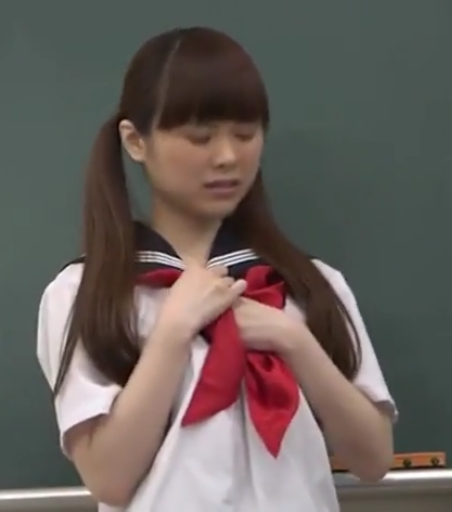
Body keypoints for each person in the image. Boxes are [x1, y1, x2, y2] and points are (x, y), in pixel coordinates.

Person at [35, 26, 398, 511]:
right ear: (136, 141)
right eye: (200, 137)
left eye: (245, 134)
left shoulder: (308, 285)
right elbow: (109, 479)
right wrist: (172, 333)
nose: (228, 157)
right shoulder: (87, 293)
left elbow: (373, 458)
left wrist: (293, 340)